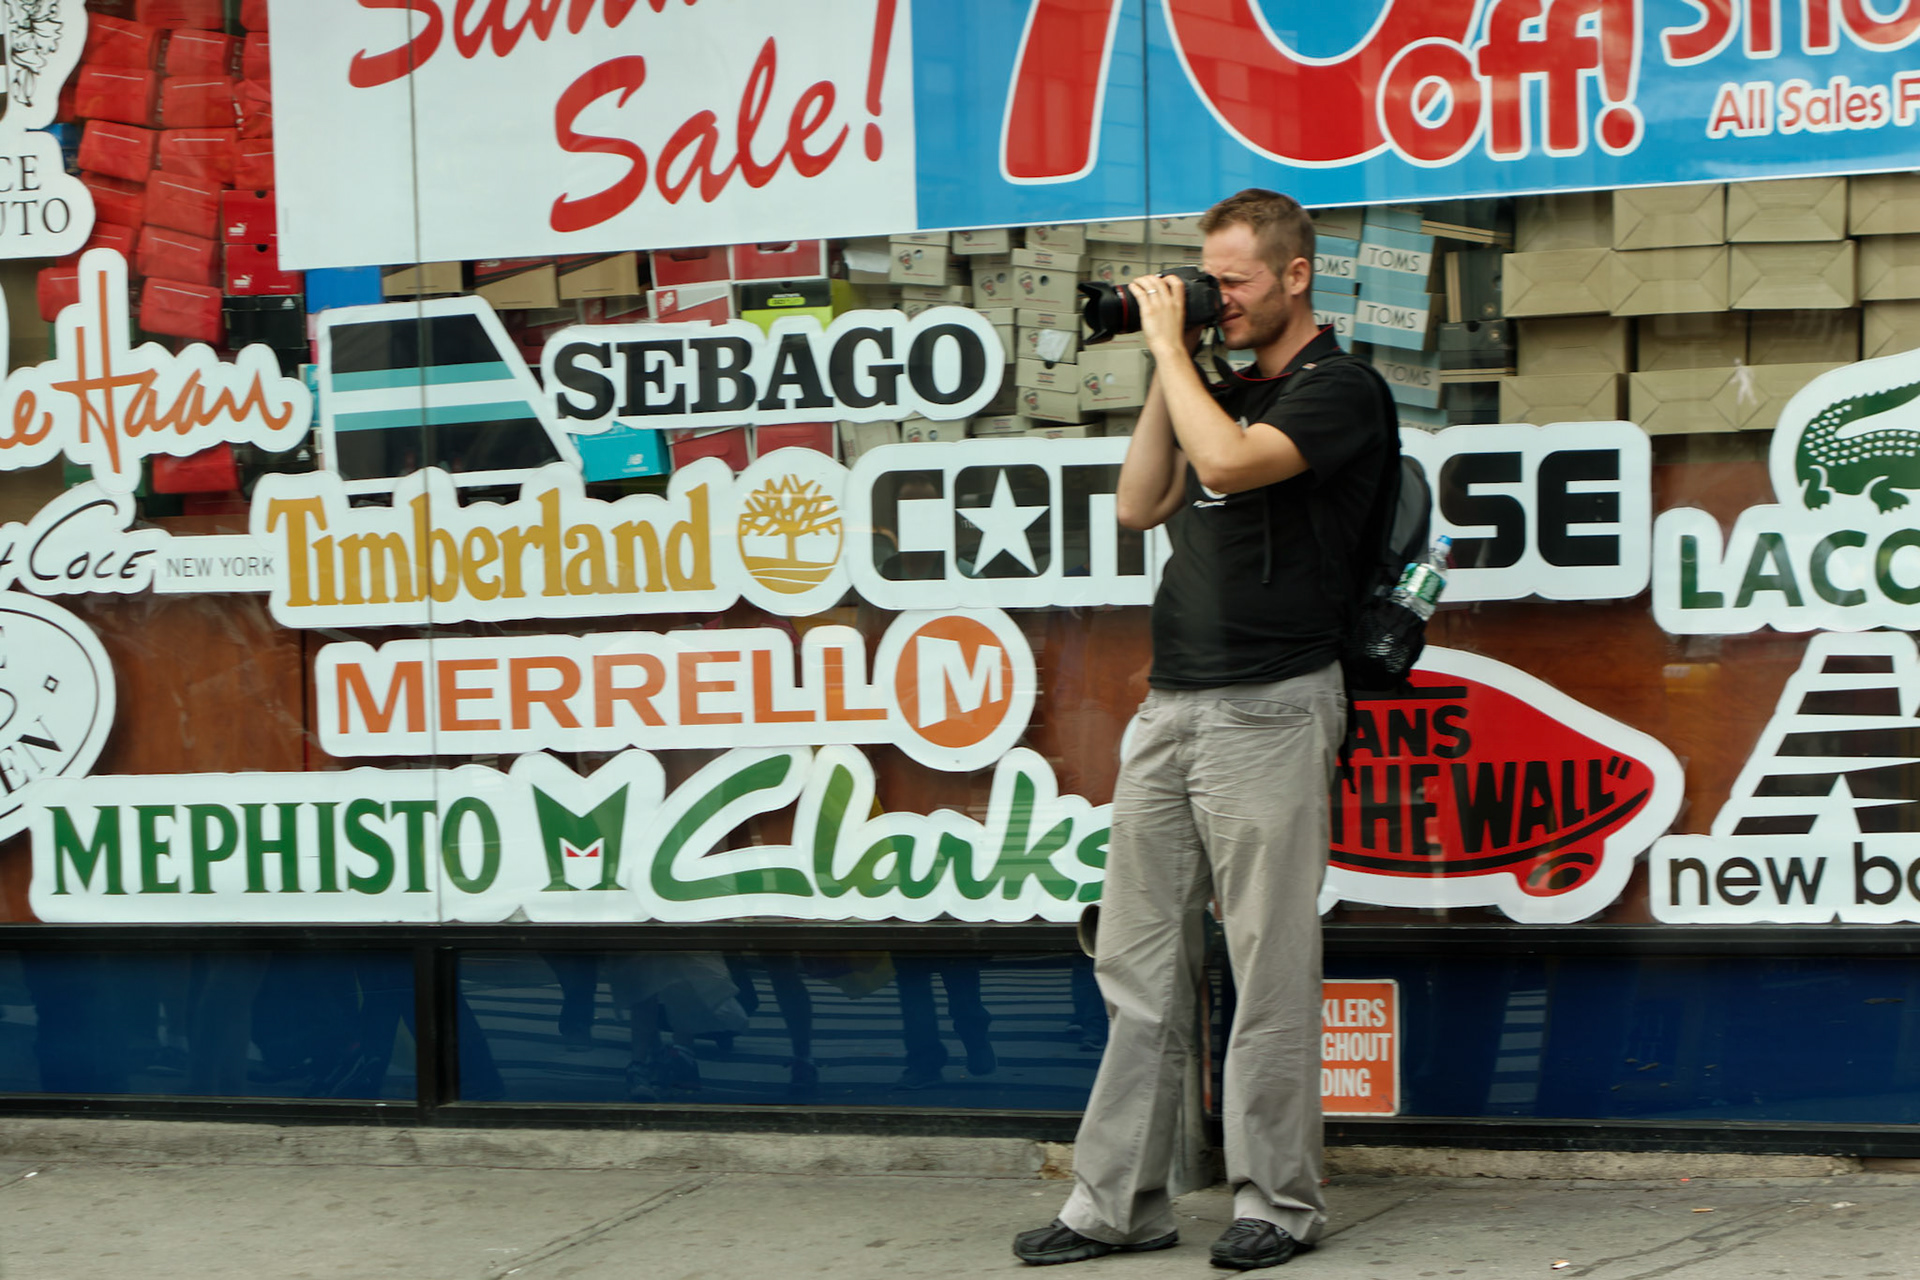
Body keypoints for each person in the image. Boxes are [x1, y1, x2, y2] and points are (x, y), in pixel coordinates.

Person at [1013, 189, 1392, 1270]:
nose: (1213, 297)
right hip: (1171, 700)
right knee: (1136, 958)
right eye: (1203, 277)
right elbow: (1141, 503)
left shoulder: (1340, 391)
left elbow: (1228, 465)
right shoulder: (1208, 383)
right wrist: (1160, 359)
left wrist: (1181, 351)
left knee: (1268, 960)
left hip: (1275, 704)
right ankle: (1119, 1201)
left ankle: (1278, 1197)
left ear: (1296, 275)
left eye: (1232, 280)